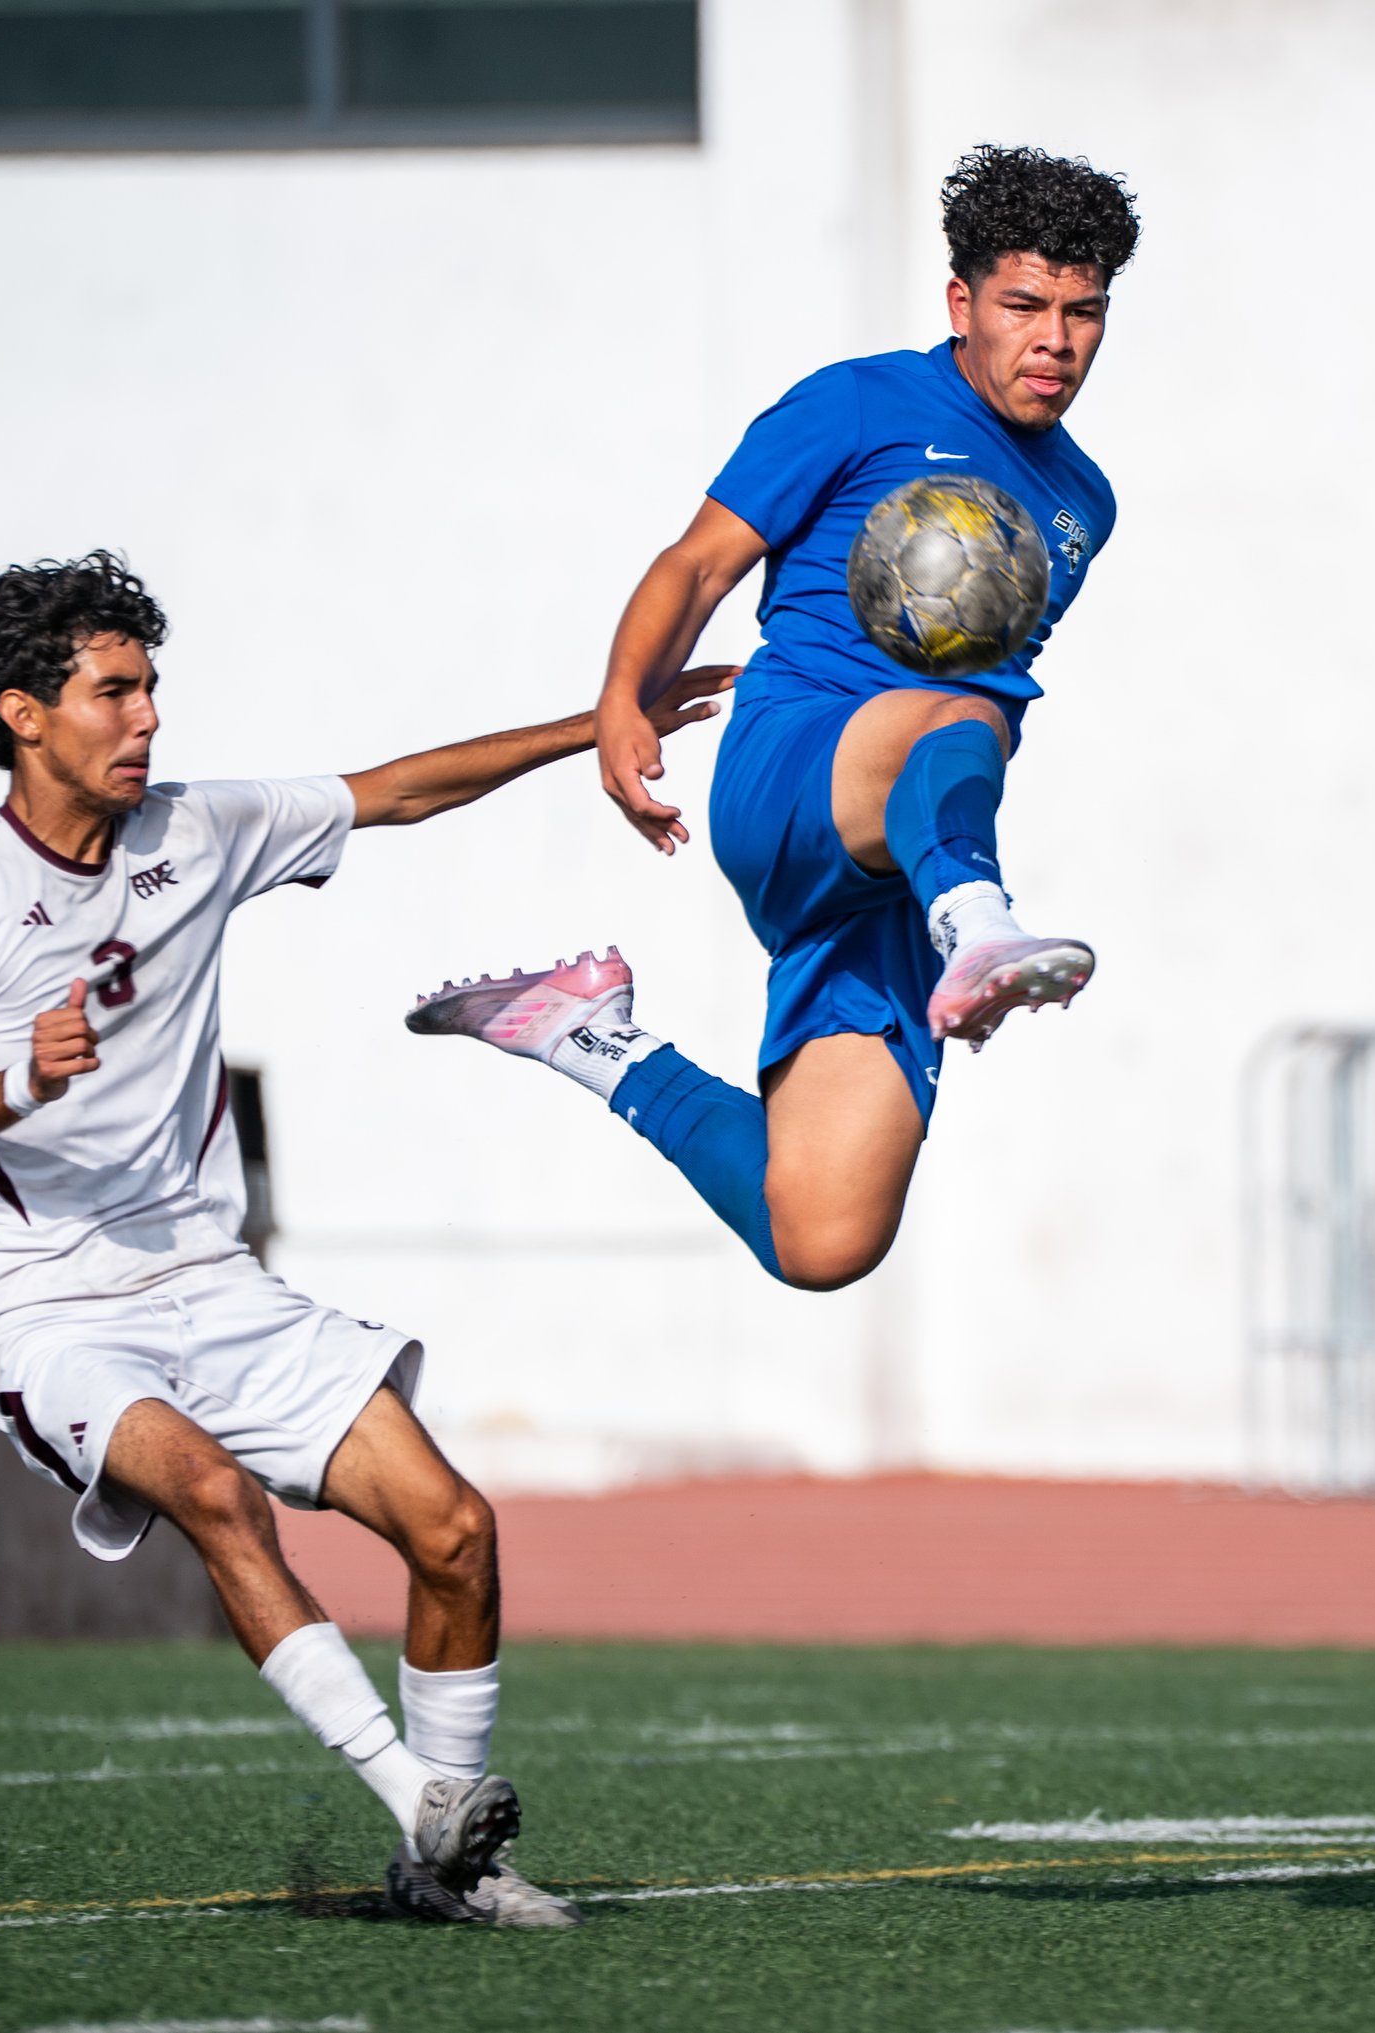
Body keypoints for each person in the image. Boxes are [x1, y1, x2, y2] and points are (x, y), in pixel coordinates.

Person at [0, 551, 727, 1927]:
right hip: (47, 1308)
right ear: (25, 715)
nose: (147, 718)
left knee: (454, 1528)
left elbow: (398, 790)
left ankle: (440, 1870)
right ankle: (420, 1807)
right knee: (213, 1491)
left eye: (151, 688)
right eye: (114, 692)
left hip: (214, 1282)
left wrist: (604, 720)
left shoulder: (198, 830)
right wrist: (21, 1083)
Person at [405, 144, 1137, 1291]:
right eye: (1024, 304)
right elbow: (698, 563)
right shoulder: (856, 402)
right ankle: (978, 923)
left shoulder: (1084, 500)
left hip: (901, 859)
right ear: (963, 302)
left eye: (1083, 312)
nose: (1055, 338)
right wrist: (619, 696)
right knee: (946, 711)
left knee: (823, 1236)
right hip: (795, 773)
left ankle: (592, 1037)